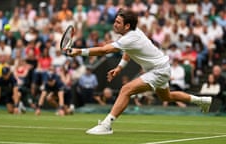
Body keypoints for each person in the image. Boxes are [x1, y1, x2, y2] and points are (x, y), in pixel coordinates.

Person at [64, 9, 212, 135]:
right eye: (115, 21)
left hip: (158, 70)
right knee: (167, 97)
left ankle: (106, 125)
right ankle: (201, 100)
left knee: (126, 89)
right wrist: (119, 68)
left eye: (118, 22)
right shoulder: (132, 34)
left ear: (127, 26)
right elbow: (128, 52)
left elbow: (105, 50)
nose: (114, 24)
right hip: (162, 67)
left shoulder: (130, 37)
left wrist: (78, 52)